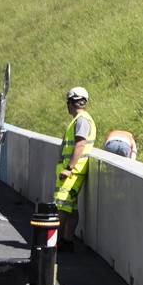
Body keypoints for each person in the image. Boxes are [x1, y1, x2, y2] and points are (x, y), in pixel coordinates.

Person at [52, 86, 96, 252]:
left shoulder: (81, 120)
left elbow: (80, 144)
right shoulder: (82, 119)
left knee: (61, 206)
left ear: (70, 103)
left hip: (72, 172)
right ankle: (67, 240)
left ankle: (52, 242)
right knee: (71, 208)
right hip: (74, 172)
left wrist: (69, 167)